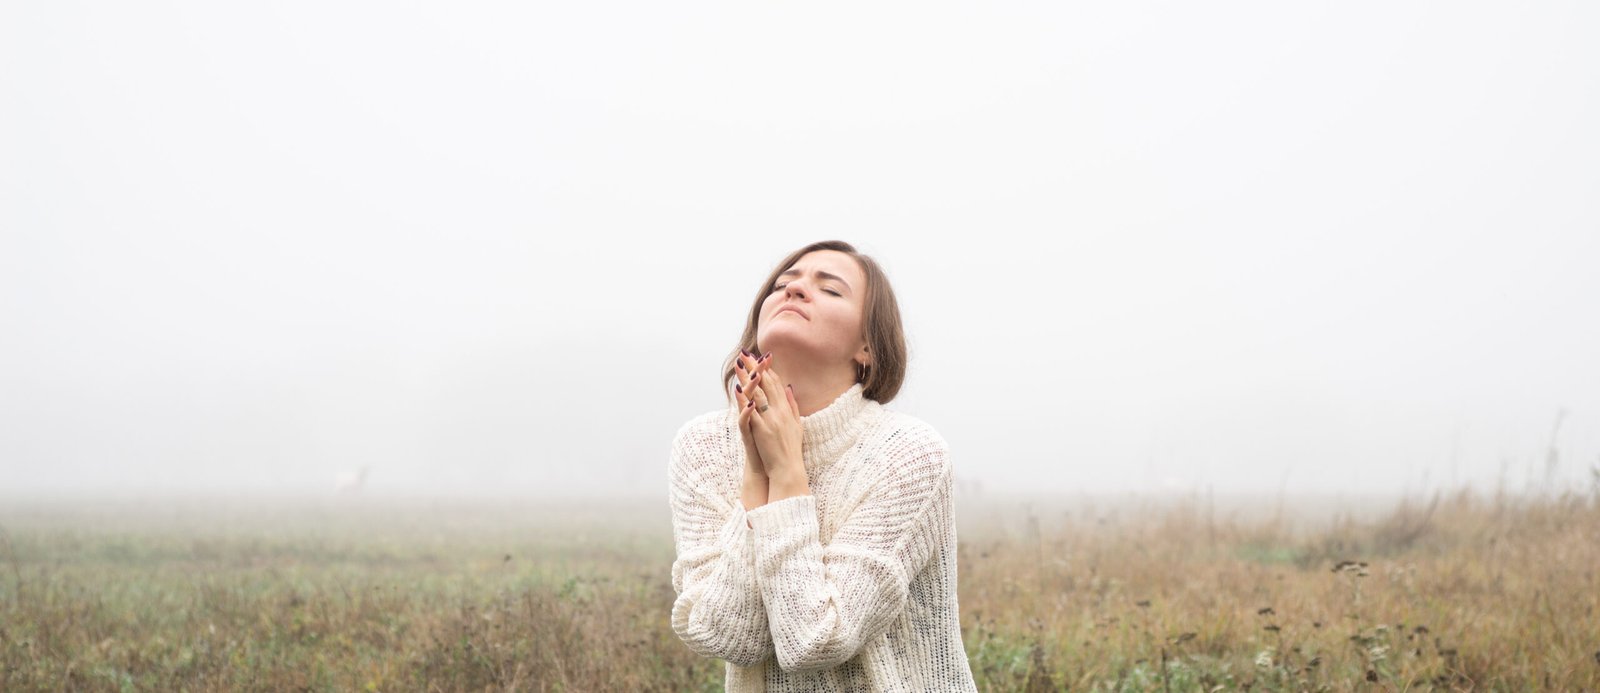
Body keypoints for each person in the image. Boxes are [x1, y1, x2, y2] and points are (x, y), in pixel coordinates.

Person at [668, 240, 978, 691]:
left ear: (868, 347)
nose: (793, 291)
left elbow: (813, 639)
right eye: (782, 284)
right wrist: (757, 475)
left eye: (830, 290)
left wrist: (788, 473)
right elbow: (728, 634)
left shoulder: (908, 454)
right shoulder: (703, 447)